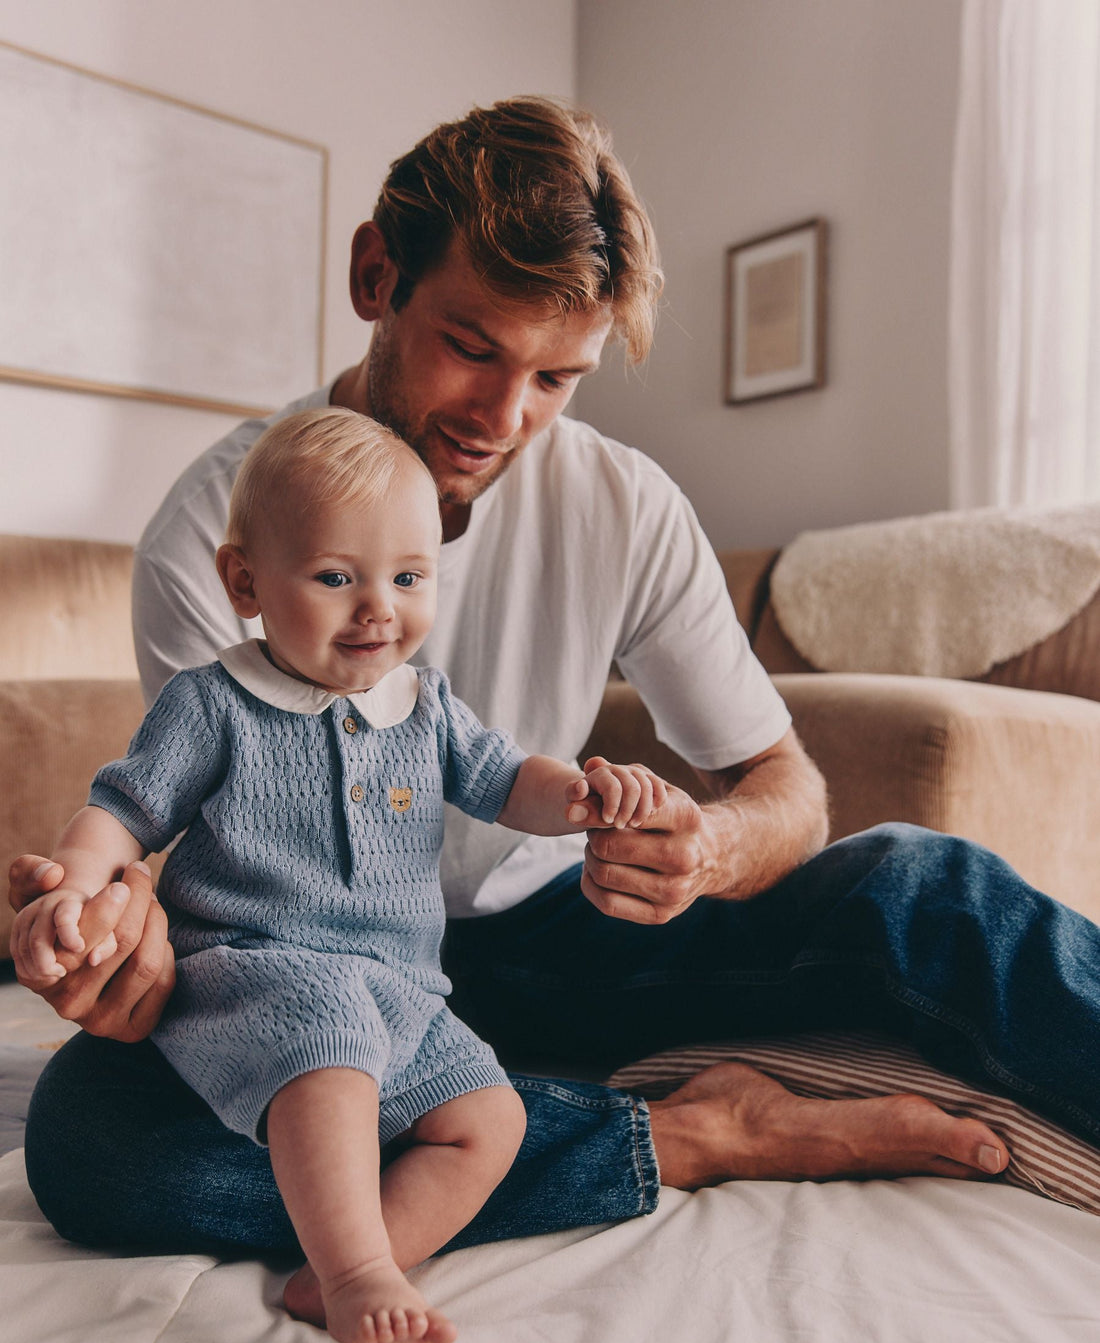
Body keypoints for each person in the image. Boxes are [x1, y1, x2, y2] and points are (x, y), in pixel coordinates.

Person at [14, 96, 1100, 1263]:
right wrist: (122, 955)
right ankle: (681, 1136)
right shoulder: (216, 531)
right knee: (94, 1144)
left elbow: (778, 782)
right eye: (472, 347)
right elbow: (170, 846)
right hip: (315, 981)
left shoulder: (621, 502)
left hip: (559, 938)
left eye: (555, 378)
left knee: (926, 886)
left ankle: (532, 1129)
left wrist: (709, 850)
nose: (501, 418)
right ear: (375, 273)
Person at [10, 406, 668, 1343]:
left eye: (408, 577)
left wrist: (585, 795)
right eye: (335, 578)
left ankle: (362, 1262)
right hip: (250, 970)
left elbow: (507, 777)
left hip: (402, 990)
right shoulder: (215, 702)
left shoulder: (426, 704)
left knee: (492, 1117)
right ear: (245, 581)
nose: (379, 609)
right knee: (327, 1039)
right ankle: (354, 1270)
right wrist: (73, 886)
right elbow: (124, 810)